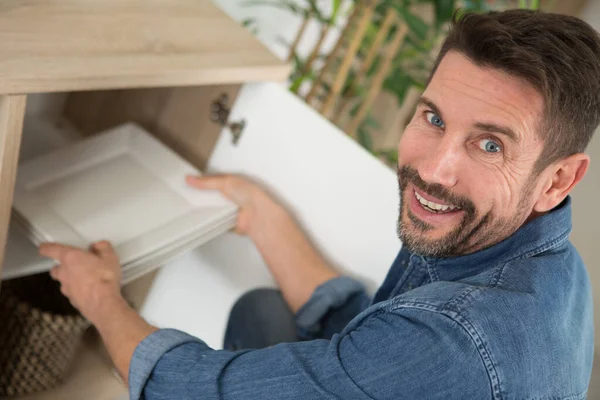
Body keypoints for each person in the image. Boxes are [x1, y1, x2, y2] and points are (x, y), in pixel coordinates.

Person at [39, 9, 600, 399]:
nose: (432, 170)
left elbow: (186, 389)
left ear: (558, 180)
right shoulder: (538, 258)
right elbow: (371, 347)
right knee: (264, 311)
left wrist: (100, 298)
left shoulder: (458, 342)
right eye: (433, 118)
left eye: (490, 144)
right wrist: (263, 215)